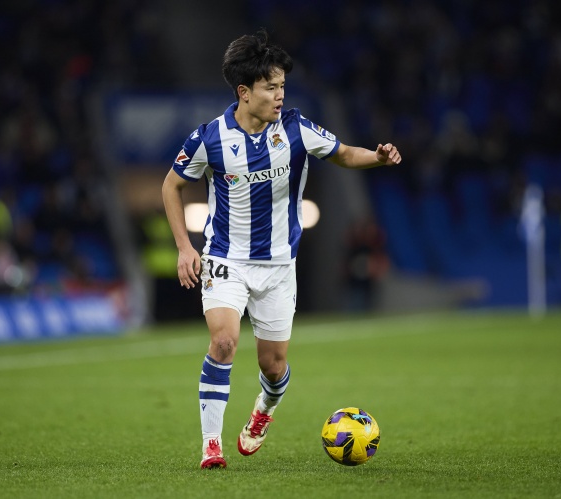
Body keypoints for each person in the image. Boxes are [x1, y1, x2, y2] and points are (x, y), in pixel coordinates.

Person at [161, 30, 402, 470]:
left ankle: (264, 410)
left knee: (273, 366)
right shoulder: (210, 138)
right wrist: (183, 247)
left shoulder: (295, 128)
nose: (279, 95)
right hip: (225, 259)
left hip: (277, 266)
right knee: (224, 341)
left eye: (282, 86)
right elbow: (171, 185)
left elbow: (344, 153)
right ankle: (211, 445)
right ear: (244, 92)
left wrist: (378, 157)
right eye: (270, 87)